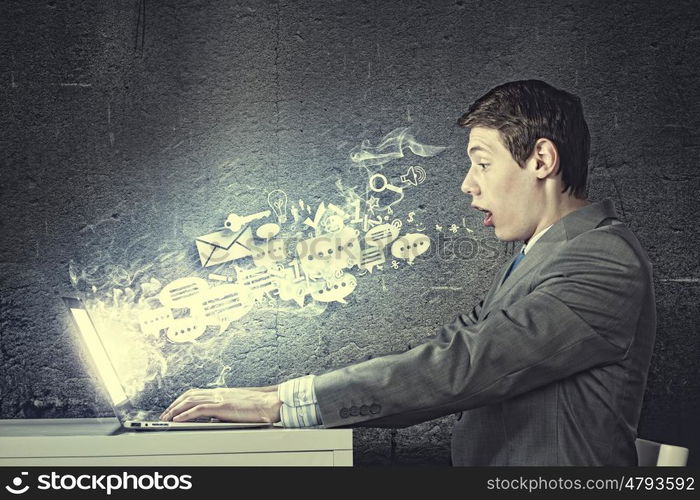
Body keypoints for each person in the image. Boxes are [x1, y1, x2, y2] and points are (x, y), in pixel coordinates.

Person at [160, 80, 656, 466]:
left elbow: (461, 369)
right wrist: (272, 395)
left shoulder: (601, 259)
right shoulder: (537, 256)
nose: (468, 185)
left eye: (482, 164)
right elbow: (444, 351)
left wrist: (280, 405)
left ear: (542, 159)